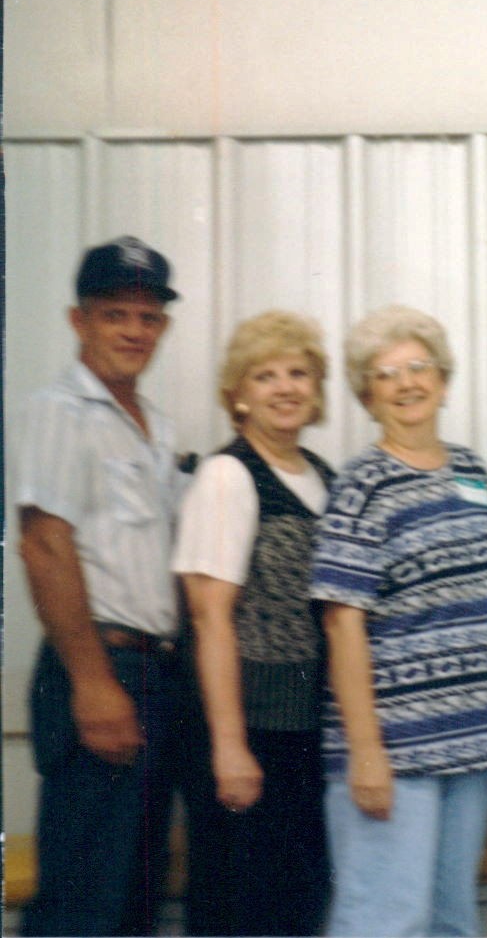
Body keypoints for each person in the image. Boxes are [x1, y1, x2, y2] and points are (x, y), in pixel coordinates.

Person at [310, 305, 487, 937]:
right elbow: (342, 624)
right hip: (395, 750)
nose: (406, 383)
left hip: (472, 742)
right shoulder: (361, 486)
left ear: (443, 381)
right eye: (386, 374)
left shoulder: (473, 472)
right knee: (385, 922)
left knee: (453, 922)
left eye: (418, 367)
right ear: (368, 396)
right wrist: (367, 752)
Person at [17, 237, 187, 936]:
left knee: (133, 900)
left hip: (155, 675)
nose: (133, 331)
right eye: (114, 314)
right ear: (78, 320)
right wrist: (92, 684)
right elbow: (44, 544)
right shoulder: (60, 410)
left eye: (147, 317)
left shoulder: (157, 428)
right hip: (101, 669)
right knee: (83, 900)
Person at [171, 311, 335, 936]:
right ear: (238, 394)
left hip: (308, 733)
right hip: (249, 733)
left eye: (298, 373)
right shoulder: (228, 475)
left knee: (298, 905)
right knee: (240, 909)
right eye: (265, 376)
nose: (285, 387)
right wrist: (229, 745)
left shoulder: (323, 476)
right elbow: (209, 618)